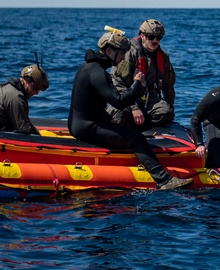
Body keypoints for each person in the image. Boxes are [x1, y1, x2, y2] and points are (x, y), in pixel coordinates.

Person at [68, 27, 192, 190]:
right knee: (137, 139)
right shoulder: (97, 72)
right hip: (86, 126)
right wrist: (136, 84)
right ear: (109, 50)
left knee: (123, 128)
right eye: (121, 54)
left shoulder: (89, 67)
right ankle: (164, 180)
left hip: (83, 121)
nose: (122, 59)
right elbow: (119, 101)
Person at [107, 19, 176, 129]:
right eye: (151, 37)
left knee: (166, 112)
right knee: (119, 117)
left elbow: (168, 86)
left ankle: (142, 125)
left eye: (159, 37)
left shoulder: (163, 58)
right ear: (142, 36)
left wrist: (170, 109)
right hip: (125, 99)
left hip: (147, 99)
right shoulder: (128, 53)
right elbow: (117, 83)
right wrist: (134, 107)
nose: (155, 41)